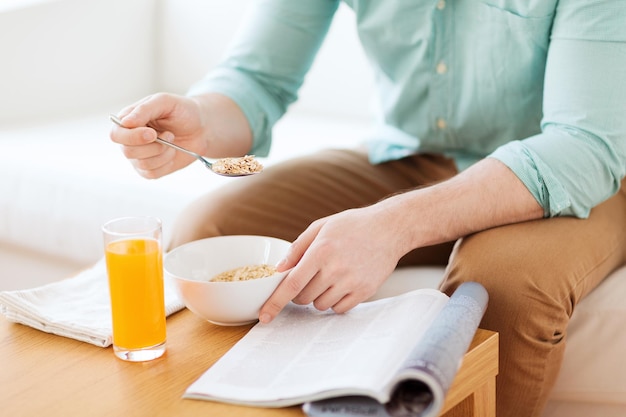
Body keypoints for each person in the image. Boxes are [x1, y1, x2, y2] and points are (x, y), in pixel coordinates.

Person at [110, 1, 626, 416]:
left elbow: (583, 145)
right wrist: (201, 120)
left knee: (500, 285)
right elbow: (257, 78)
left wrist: (396, 224)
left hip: (571, 175)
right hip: (411, 155)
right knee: (210, 232)